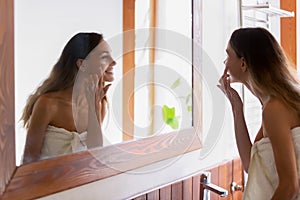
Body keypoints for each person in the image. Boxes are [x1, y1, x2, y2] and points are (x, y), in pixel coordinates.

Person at [218, 27, 300, 199]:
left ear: (243, 63)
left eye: (228, 56)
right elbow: (251, 164)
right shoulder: (274, 103)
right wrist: (236, 106)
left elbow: (290, 186)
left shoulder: (275, 109)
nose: (225, 63)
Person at [21, 32, 116, 164]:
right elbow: (28, 160)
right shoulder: (48, 104)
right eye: (104, 57)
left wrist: (94, 107)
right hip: (50, 182)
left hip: (83, 181)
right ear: (82, 64)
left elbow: (95, 155)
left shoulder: (100, 103)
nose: (114, 62)